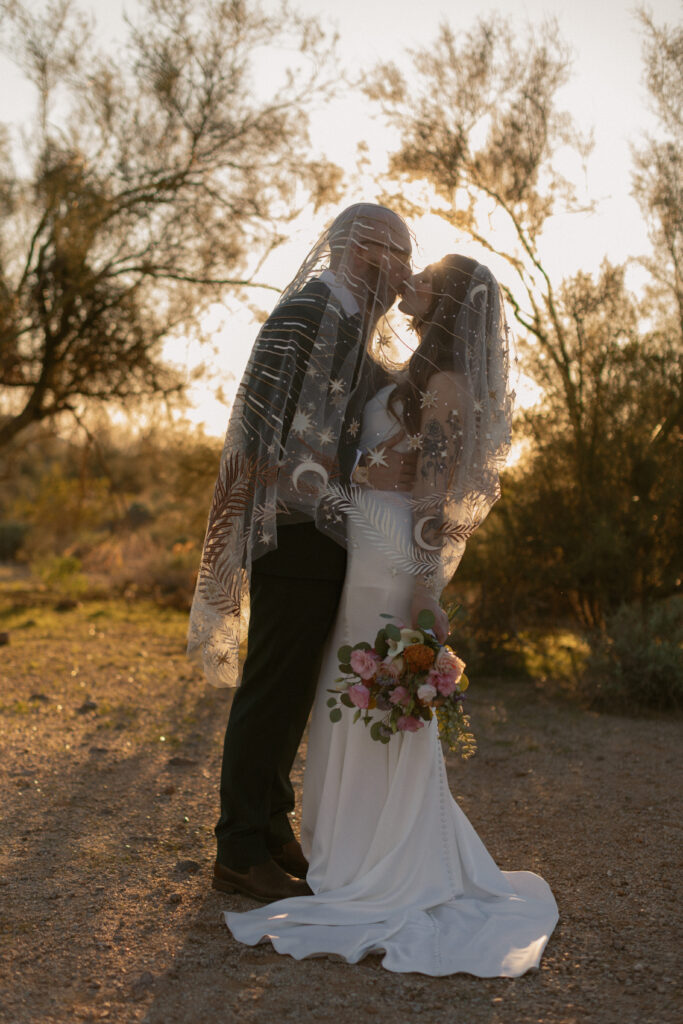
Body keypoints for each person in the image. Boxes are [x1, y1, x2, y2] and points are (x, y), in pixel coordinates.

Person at [222, 255, 559, 977]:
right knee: (343, 697)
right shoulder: (408, 374)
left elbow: (435, 494)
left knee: (369, 693)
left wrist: (425, 590)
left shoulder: (444, 386)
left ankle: (383, 859)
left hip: (394, 557)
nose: (411, 279)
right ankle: (343, 849)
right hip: (365, 549)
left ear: (447, 302)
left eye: (425, 276)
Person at [187, 203, 413, 903]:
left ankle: (270, 821)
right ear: (354, 247)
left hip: (328, 533)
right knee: (271, 686)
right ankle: (237, 847)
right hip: (291, 528)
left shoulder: (352, 326)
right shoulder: (303, 313)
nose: (402, 270)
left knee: (294, 694)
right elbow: (260, 433)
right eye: (393, 253)